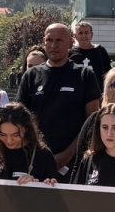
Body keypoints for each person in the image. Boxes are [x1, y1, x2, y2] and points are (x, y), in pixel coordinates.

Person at [15, 24, 101, 173]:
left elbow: (92, 122)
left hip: (73, 164)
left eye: (59, 40)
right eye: (49, 40)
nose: (53, 45)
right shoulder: (31, 76)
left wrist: (65, 156)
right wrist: (38, 154)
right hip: (34, 161)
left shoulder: (84, 75)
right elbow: (19, 120)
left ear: (70, 43)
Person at [0, 103, 60, 184]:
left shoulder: (43, 155)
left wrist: (37, 184)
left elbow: (53, 192)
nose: (9, 140)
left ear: (26, 129)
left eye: (16, 135)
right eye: (3, 135)